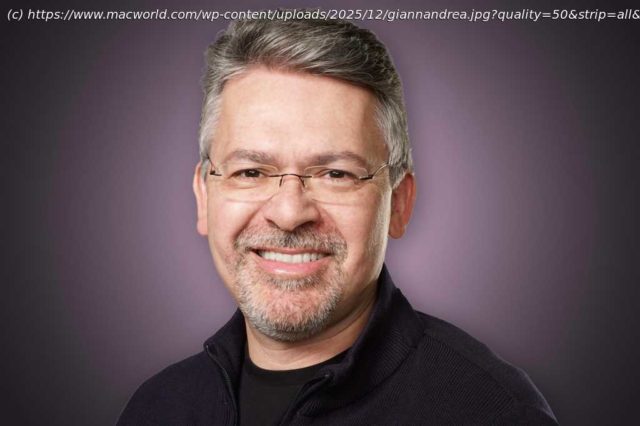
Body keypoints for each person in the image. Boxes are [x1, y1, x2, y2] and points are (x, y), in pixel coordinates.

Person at [118, 16, 557, 425]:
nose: (289, 214)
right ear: (204, 196)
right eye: (250, 172)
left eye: (335, 174)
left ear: (398, 204)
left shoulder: (492, 411)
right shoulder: (157, 408)